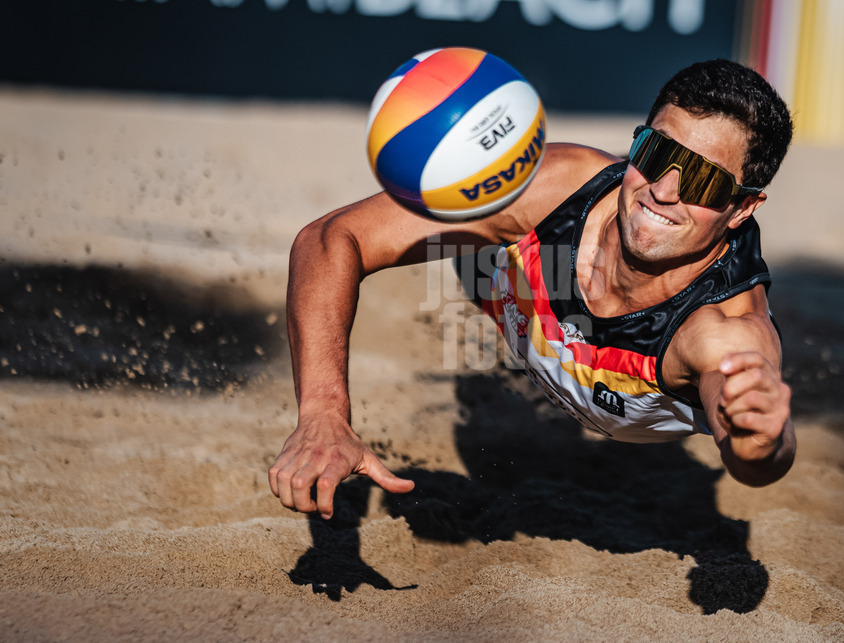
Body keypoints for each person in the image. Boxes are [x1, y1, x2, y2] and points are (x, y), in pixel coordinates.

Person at [270, 59, 796, 520]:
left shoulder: (721, 331)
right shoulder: (551, 190)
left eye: (704, 182)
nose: (663, 190)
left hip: (628, 364)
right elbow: (330, 237)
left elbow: (755, 458)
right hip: (502, 275)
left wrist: (762, 442)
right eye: (656, 153)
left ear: (743, 208)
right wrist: (323, 415)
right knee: (473, 190)